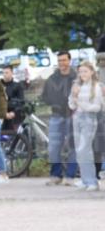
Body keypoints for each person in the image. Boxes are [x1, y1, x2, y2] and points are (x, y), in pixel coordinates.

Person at [41, 51, 79, 185]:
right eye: (59, 61)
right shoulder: (52, 79)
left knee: (73, 147)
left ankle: (70, 176)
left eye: (64, 60)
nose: (62, 63)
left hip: (72, 115)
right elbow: (44, 96)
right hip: (56, 115)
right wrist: (54, 102)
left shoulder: (76, 77)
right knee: (53, 147)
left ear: (70, 61)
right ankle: (56, 175)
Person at [69, 61, 103, 191]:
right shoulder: (77, 86)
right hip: (77, 118)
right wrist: (74, 95)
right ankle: (85, 179)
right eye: (81, 71)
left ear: (92, 72)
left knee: (85, 149)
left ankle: (92, 182)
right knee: (79, 150)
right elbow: (71, 105)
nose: (82, 74)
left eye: (85, 71)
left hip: (89, 119)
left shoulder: (96, 87)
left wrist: (80, 103)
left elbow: (96, 107)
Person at [1, 65, 27, 133]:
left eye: (7, 73)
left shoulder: (17, 86)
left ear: (12, 73)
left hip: (14, 115)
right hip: (1, 115)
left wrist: (14, 113)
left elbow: (21, 101)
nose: (4, 75)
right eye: (3, 73)